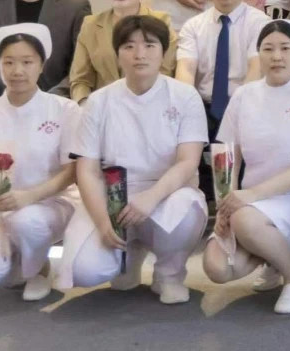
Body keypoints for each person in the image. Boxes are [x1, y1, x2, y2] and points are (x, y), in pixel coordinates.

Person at [57, 15, 209, 304]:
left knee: (185, 213)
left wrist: (151, 197)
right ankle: (130, 255)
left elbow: (187, 162)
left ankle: (169, 273)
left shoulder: (184, 96)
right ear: (117, 54)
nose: (140, 54)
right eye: (129, 46)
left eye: (149, 45)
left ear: (163, 52)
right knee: (85, 270)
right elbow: (87, 171)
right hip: (113, 197)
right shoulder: (99, 101)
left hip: (167, 193)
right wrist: (103, 221)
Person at [201, 20, 290, 314]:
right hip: (248, 204)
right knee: (218, 268)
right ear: (258, 54)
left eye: (285, 48)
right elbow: (227, 156)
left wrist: (249, 197)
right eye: (268, 49)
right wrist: (225, 205)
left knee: (247, 221)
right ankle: (274, 258)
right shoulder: (244, 95)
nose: (276, 56)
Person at [0, 24, 79, 302]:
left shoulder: (64, 110)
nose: (17, 71)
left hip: (49, 203)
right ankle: (14, 257)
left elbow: (72, 172)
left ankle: (37, 268)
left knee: (26, 221)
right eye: (8, 62)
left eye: (27, 62)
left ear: (41, 65)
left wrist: (30, 196)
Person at [175, 0, 270, 135]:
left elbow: (255, 70)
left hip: (245, 108)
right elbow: (185, 70)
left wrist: (237, 111)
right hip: (201, 109)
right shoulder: (193, 26)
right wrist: (187, 109)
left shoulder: (260, 23)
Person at [69, 0, 177, 104]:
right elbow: (80, 79)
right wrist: (85, 105)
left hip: (150, 104)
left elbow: (165, 71)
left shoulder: (161, 21)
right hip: (103, 106)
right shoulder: (91, 24)